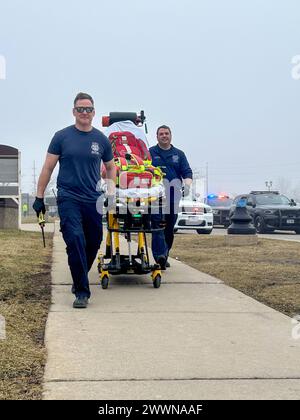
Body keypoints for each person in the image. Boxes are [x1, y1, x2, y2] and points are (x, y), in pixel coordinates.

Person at [33, 93, 116, 308]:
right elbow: (48, 168)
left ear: (94, 112)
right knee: (75, 239)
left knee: (94, 241)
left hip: (93, 199)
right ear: (73, 112)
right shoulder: (61, 137)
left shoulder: (101, 140)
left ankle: (79, 275)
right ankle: (82, 291)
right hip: (69, 197)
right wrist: (39, 197)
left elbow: (110, 167)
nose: (84, 113)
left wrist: (111, 190)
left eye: (88, 109)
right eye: (80, 109)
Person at [150, 125, 193, 269]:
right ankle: (159, 256)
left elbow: (187, 172)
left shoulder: (179, 154)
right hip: (155, 196)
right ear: (157, 137)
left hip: (173, 195)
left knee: (169, 227)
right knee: (157, 225)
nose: (164, 136)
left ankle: (165, 253)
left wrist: (187, 185)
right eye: (161, 134)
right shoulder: (150, 153)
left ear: (170, 136)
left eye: (166, 133)